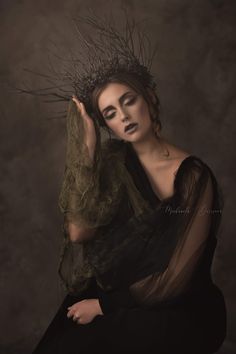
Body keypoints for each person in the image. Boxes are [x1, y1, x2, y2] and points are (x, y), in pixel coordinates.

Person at [31, 12, 227, 354]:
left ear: (148, 97)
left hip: (177, 307)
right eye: (109, 113)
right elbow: (79, 232)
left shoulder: (195, 177)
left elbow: (174, 281)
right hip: (120, 294)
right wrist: (88, 153)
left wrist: (104, 306)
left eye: (128, 100)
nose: (123, 116)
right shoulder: (112, 163)